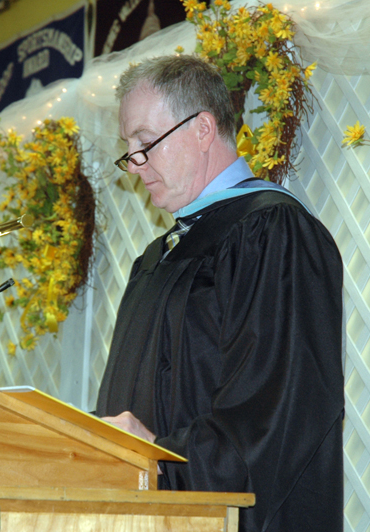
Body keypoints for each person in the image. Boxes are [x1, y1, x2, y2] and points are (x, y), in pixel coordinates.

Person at [96, 55, 344, 532]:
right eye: (129, 149)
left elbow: (274, 413)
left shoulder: (274, 233)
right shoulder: (155, 258)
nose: (135, 165)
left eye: (146, 144)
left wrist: (166, 464)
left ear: (204, 129)